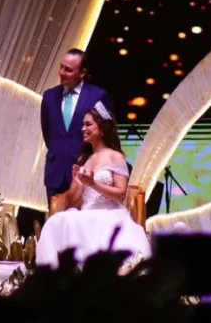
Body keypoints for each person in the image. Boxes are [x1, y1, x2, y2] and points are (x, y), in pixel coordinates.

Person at [35, 102, 150, 268]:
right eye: (83, 125)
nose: (83, 129)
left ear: (101, 129)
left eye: (88, 124)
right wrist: (78, 182)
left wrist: (94, 184)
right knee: (56, 222)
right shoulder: (83, 159)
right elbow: (72, 202)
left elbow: (120, 195)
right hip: (85, 213)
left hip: (110, 214)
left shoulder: (115, 157)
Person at [39, 49, 114, 214]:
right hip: (55, 173)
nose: (62, 72)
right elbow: (48, 134)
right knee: (56, 223)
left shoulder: (97, 96)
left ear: (83, 73)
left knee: (84, 225)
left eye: (68, 69)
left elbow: (108, 134)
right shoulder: (49, 97)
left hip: (87, 174)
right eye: (61, 67)